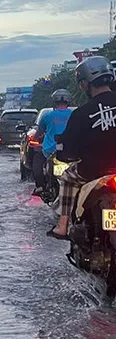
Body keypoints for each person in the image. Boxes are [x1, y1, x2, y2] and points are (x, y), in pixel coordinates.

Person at [47, 56, 116, 240]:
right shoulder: (74, 112)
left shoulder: (82, 113)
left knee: (67, 178)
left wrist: (65, 154)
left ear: (85, 84)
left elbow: (66, 150)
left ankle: (62, 226)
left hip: (93, 170)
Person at [31, 89, 73, 197]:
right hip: (71, 150)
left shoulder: (47, 116)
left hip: (50, 151)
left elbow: (38, 133)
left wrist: (37, 138)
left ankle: (40, 186)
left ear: (54, 102)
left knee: (37, 161)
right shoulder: (74, 115)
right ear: (68, 101)